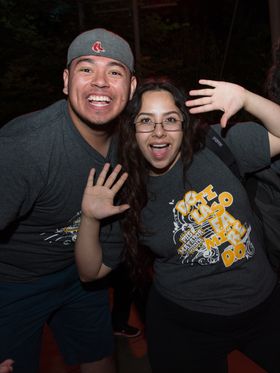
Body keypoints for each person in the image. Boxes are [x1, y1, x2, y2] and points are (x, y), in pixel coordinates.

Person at [75, 78, 280, 373]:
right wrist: (91, 218)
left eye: (170, 119)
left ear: (185, 124)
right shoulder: (125, 188)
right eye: (146, 121)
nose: (159, 131)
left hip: (265, 308)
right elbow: (90, 271)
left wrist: (247, 98)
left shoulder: (220, 145)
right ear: (132, 129)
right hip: (185, 325)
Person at [0, 28, 136, 373]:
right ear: (66, 80)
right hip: (12, 284)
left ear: (131, 89)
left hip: (77, 277)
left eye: (115, 71)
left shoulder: (134, 146)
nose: (101, 82)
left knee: (101, 359)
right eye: (86, 69)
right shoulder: (24, 148)